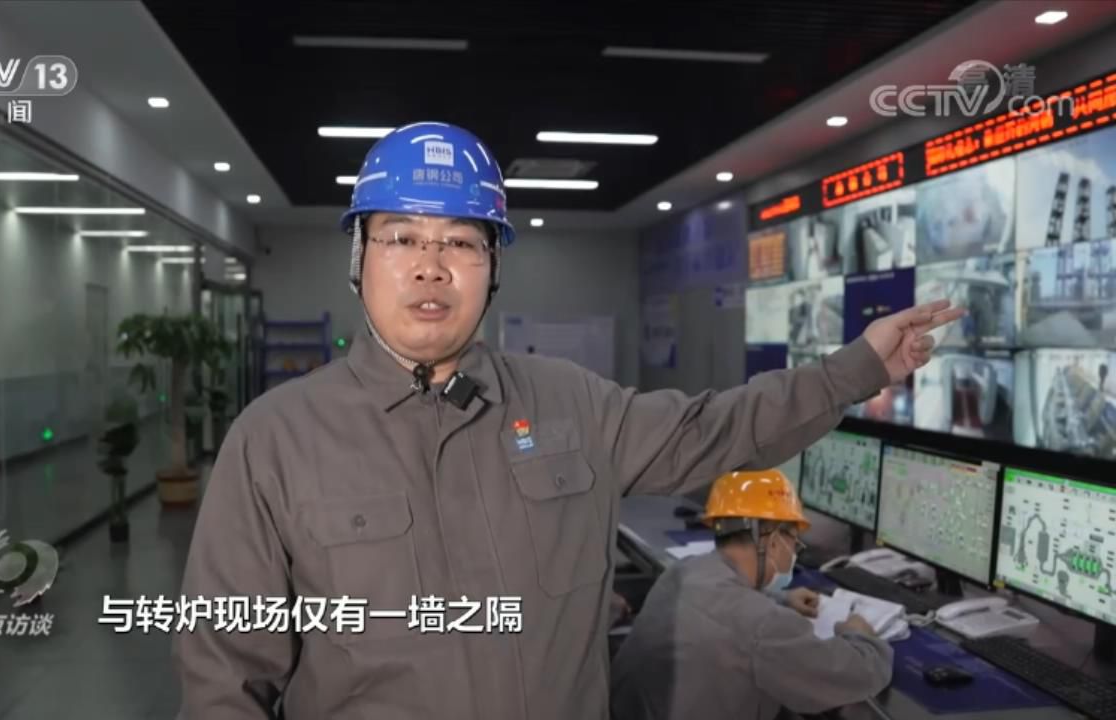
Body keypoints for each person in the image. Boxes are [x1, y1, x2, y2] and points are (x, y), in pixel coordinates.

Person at [172, 121, 962, 720]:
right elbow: (224, 677)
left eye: (461, 242)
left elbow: (717, 429)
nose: (430, 266)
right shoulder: (275, 439)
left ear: (493, 267)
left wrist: (858, 368)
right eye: (401, 238)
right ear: (359, 258)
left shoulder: (571, 403)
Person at [609, 469, 893, 720]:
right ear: (773, 540)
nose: (794, 553)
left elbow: (724, 612)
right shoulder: (762, 625)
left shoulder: (682, 571)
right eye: (795, 543)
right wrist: (860, 635)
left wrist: (781, 599)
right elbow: (857, 676)